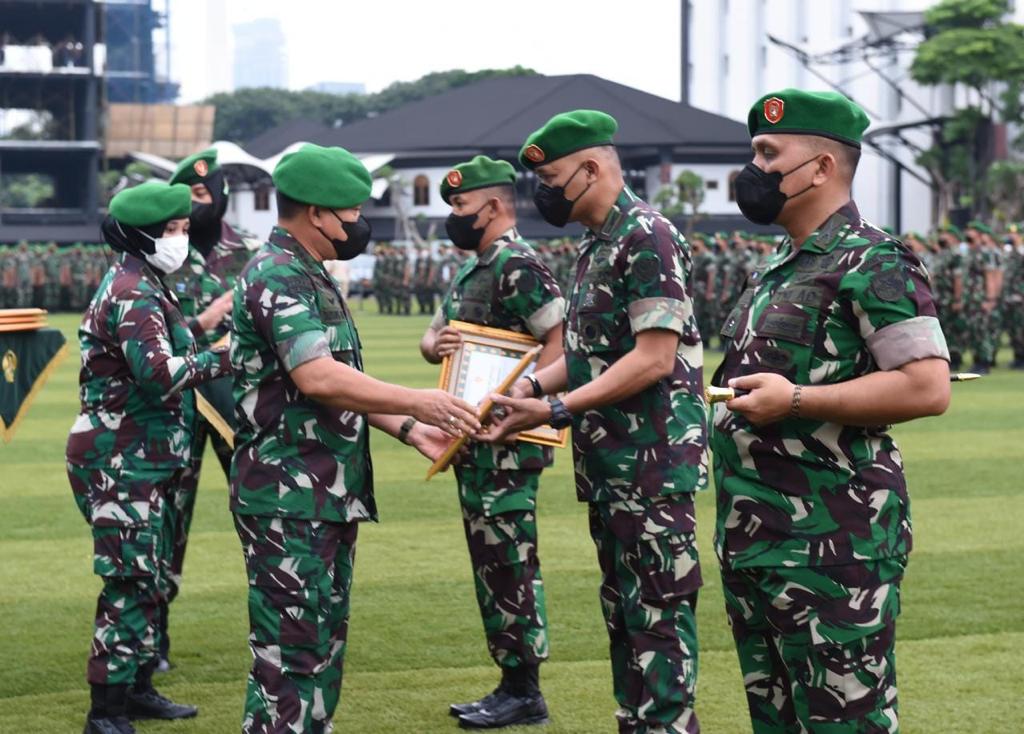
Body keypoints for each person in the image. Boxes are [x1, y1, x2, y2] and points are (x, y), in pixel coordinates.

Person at [713, 89, 950, 733]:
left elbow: (927, 386)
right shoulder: (779, 268)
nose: (752, 169)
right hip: (756, 543)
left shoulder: (875, 259)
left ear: (820, 167)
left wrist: (795, 400)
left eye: (768, 153)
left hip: (833, 549)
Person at [230, 143, 481, 733]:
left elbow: (337, 384)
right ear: (317, 212)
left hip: (320, 494)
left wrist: (408, 427)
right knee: (289, 663)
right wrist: (420, 398)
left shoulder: (307, 272)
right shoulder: (278, 275)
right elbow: (316, 375)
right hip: (288, 498)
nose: (357, 225)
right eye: (350, 212)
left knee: (318, 651)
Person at [487, 110, 708, 734]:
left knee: (658, 615)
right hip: (612, 465)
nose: (543, 192)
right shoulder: (594, 245)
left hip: (653, 465)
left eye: (552, 177)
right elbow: (587, 356)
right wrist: (527, 387)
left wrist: (554, 409)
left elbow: (653, 358)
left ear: (591, 168)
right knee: (626, 613)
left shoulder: (648, 236)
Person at [66, 181, 233, 734]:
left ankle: (136, 687)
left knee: (150, 575)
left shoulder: (146, 284)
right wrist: (226, 356)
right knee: (129, 579)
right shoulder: (134, 292)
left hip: (144, 455)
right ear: (140, 235)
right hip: (121, 458)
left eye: (184, 229)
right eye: (171, 231)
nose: (181, 239)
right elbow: (160, 375)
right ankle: (106, 711)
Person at [420, 156, 564, 729]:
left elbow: (562, 340)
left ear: (495, 205)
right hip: (475, 439)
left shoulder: (520, 265)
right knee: (491, 560)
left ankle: (524, 688)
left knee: (509, 560)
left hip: (509, 439)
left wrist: (526, 400)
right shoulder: (474, 267)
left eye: (459, 207)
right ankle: (510, 681)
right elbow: (433, 338)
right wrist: (438, 345)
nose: (453, 218)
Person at [154, 146, 252, 671]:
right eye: (187, 196)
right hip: (174, 405)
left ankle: (278, 625)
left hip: (236, 401)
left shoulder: (254, 253)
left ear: (220, 197)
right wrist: (208, 319)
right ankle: (153, 634)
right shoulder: (162, 251)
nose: (195, 205)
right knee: (167, 519)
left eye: (201, 193)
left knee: (262, 513)